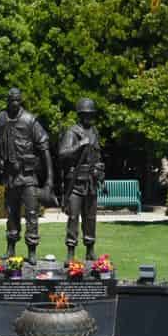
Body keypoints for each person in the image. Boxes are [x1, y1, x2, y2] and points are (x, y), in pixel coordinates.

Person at [0, 87, 50, 258]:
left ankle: (32, 251)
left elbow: (44, 148)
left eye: (17, 100)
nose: (15, 103)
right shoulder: (1, 119)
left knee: (32, 213)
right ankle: (10, 248)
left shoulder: (30, 120)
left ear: (21, 101)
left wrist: (49, 180)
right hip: (10, 177)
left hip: (28, 176)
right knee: (11, 214)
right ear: (7, 101)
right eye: (11, 100)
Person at [57, 97, 105, 261]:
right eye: (87, 115)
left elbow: (97, 155)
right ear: (81, 115)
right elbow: (63, 154)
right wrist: (79, 145)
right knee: (73, 217)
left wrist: (99, 168)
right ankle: (71, 252)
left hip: (91, 182)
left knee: (90, 218)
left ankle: (90, 248)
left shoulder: (94, 132)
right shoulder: (73, 132)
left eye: (92, 115)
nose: (90, 118)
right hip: (76, 183)